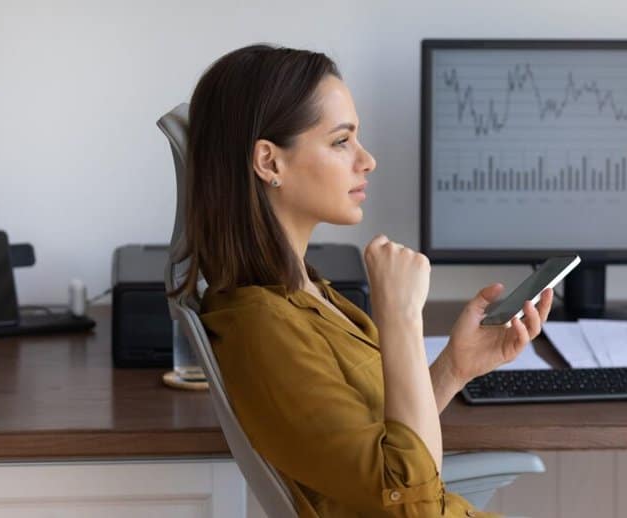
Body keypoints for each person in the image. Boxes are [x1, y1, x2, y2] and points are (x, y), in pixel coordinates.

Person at [172, 43, 553, 517]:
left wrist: (453, 368)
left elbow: (375, 441)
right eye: (340, 141)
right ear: (270, 162)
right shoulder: (261, 329)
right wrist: (400, 318)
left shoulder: (306, 294)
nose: (366, 159)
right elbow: (405, 498)